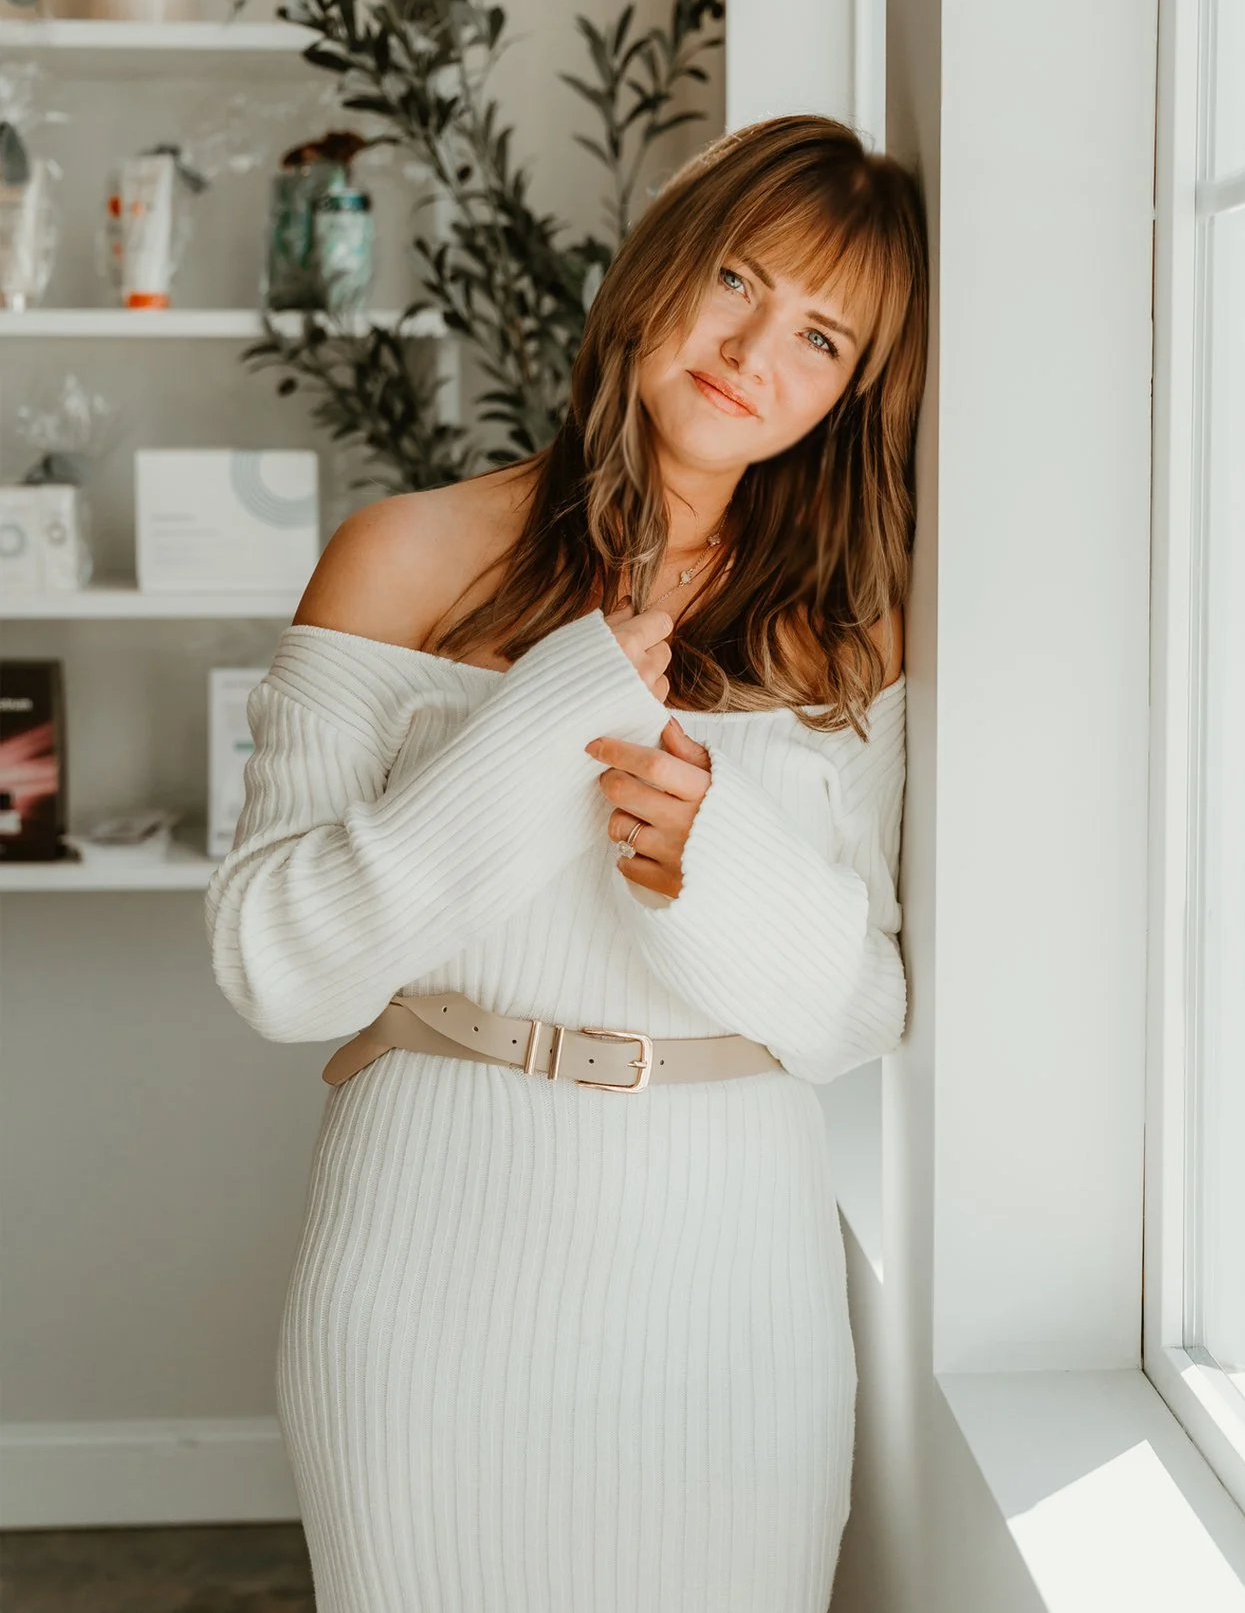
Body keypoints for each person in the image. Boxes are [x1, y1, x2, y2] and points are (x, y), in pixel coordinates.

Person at [205, 114, 923, 1612]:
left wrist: (709, 859)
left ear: (848, 396)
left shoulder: (843, 628)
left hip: (733, 1273)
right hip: (428, 1257)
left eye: (819, 337)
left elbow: (858, 1012)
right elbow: (276, 966)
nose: (751, 350)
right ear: (659, 270)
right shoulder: (402, 557)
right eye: (734, 278)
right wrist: (537, 729)